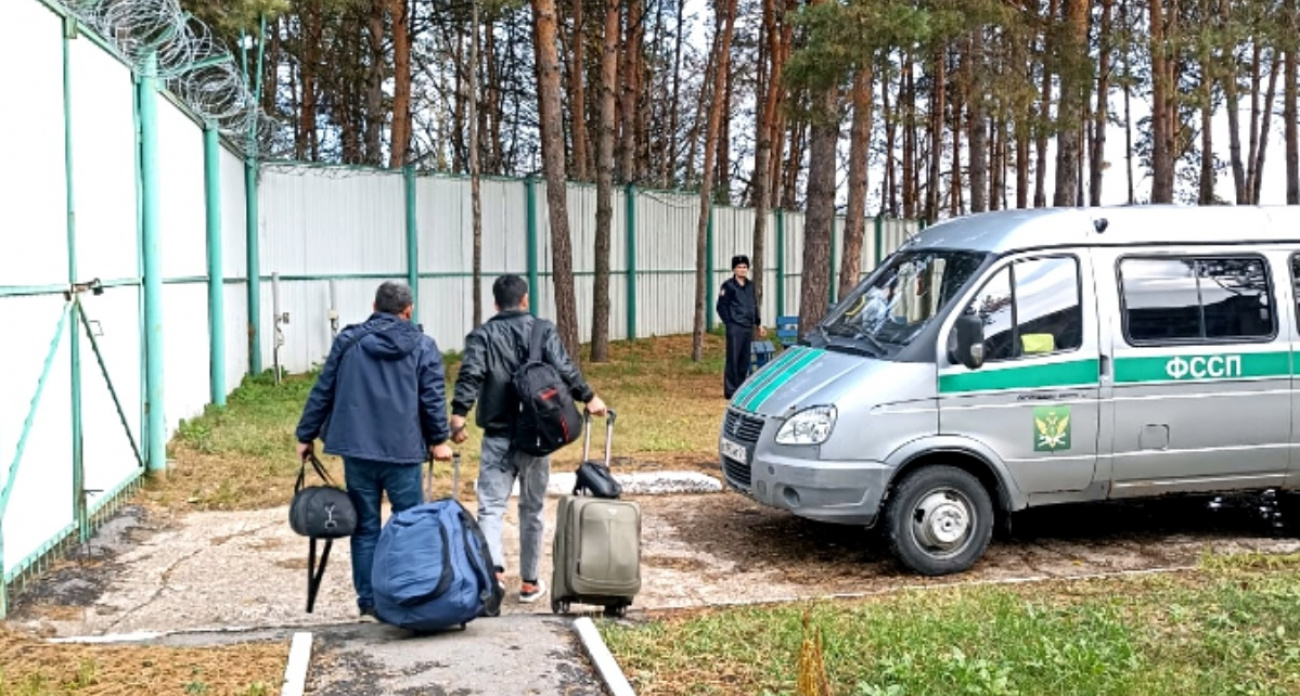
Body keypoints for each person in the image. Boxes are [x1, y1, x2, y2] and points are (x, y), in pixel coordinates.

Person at [294, 281, 453, 619]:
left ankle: (368, 603)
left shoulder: (349, 342)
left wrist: (306, 435)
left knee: (365, 527)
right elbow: (432, 398)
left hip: (358, 452)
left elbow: (324, 390)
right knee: (410, 523)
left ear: (374, 305)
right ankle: (409, 594)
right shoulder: (424, 346)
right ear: (408, 310)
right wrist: (439, 441)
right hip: (405, 452)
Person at [450, 274, 607, 604]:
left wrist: (459, 413)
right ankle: (530, 583)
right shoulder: (542, 329)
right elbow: (564, 367)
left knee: (491, 507)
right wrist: (589, 397)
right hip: (538, 435)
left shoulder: (482, 336)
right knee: (532, 509)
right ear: (525, 301)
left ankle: (493, 572)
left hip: (498, 434)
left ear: (495, 304)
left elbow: (471, 374)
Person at [715, 255, 767, 399]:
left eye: (744, 267)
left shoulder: (750, 286)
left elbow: (753, 305)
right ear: (734, 269)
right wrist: (729, 322)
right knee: (733, 358)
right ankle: (730, 390)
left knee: (744, 359)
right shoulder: (728, 286)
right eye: (739, 267)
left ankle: (740, 388)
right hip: (735, 327)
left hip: (747, 326)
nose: (742, 270)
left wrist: (758, 323)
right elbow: (721, 307)